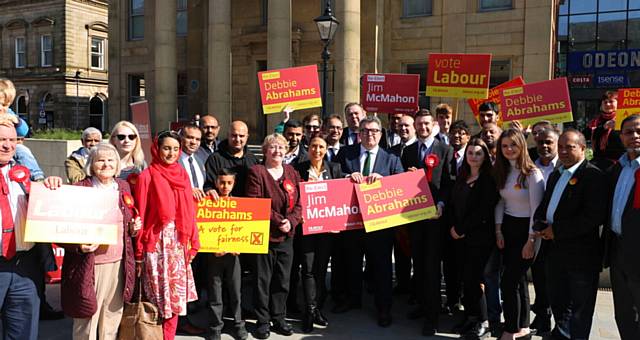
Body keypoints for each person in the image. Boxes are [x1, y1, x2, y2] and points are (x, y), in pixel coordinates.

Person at [56, 143, 141, 340]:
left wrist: (133, 228)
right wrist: (78, 246)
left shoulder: (123, 187)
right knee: (87, 319)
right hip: (90, 264)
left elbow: (127, 222)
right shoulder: (80, 189)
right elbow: (59, 229)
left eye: (111, 160)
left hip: (119, 262)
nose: (106, 164)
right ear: (91, 164)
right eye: (100, 160)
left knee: (112, 317)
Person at [533, 129, 606, 340]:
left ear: (583, 149)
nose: (563, 151)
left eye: (570, 147)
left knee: (580, 309)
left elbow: (592, 217)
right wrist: (540, 223)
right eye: (561, 147)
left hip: (580, 256)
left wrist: (556, 230)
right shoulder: (557, 174)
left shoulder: (592, 176)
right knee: (558, 300)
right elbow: (545, 205)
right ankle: (562, 335)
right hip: (554, 252)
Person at [334, 115, 403, 328]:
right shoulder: (346, 153)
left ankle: (384, 308)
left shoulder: (391, 157)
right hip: (352, 222)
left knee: (381, 268)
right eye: (365, 131)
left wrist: (385, 182)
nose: (369, 134)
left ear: (381, 134)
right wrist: (346, 176)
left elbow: (401, 185)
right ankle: (353, 300)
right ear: (359, 134)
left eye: (374, 131)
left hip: (380, 226)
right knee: (352, 264)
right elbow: (333, 175)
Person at [133, 131, 200, 340]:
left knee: (176, 298)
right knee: (158, 298)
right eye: (166, 148)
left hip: (178, 243)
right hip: (156, 245)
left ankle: (169, 337)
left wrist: (193, 242)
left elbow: (190, 211)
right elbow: (141, 214)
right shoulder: (147, 176)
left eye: (174, 149)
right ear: (157, 148)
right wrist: (139, 252)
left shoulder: (182, 174)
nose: (170, 153)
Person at [0, 113, 57, 340]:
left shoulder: (25, 174)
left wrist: (51, 189)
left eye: (12, 140)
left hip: (26, 267)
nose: (7, 145)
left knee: (23, 334)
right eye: (1, 140)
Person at [400, 110, 452, 335]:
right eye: (419, 124)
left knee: (432, 267)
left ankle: (432, 318)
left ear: (434, 125)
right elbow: (401, 182)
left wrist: (441, 204)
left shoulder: (445, 150)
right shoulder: (409, 150)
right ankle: (422, 305)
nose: (422, 127)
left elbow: (449, 183)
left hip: (435, 218)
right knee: (418, 264)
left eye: (426, 124)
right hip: (414, 218)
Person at [245, 133, 302, 339]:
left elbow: (300, 203)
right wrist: (279, 221)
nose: (277, 151)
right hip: (265, 235)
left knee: (283, 280)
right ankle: (262, 321)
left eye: (281, 147)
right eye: (272, 147)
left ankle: (279, 318)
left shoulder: (291, 172)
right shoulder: (257, 172)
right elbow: (256, 202)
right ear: (265, 150)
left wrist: (292, 221)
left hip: (287, 237)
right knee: (262, 281)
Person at [493, 128, 545, 340]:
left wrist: (531, 240)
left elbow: (537, 210)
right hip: (508, 228)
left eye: (513, 144)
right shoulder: (502, 170)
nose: (509, 149)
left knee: (508, 281)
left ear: (522, 145)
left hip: (528, 231)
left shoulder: (533, 173)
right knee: (519, 280)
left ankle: (511, 329)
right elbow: (500, 202)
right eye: (504, 146)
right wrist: (498, 230)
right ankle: (522, 327)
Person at [447, 138, 499, 339]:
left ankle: (483, 320)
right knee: (465, 279)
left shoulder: (489, 179)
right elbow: (453, 203)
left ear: (485, 156)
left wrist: (461, 228)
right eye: (470, 152)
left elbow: (483, 210)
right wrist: (453, 227)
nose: (474, 157)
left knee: (477, 280)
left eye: (478, 153)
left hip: (479, 238)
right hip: (459, 237)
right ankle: (469, 316)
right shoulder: (462, 176)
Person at [294, 136, 340, 333]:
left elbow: (341, 196)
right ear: (308, 147)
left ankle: (317, 308)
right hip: (306, 229)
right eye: (314, 146)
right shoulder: (298, 169)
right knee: (308, 269)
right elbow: (293, 196)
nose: (317, 150)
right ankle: (309, 311)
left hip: (327, 230)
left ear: (326, 148)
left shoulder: (334, 169)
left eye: (321, 146)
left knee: (320, 270)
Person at [606, 114, 640, 340]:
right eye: (628, 132)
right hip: (619, 253)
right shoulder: (618, 168)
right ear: (621, 137)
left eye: (639, 131)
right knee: (624, 314)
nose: (635, 136)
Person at [205, 168, 248, 340]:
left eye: (229, 183)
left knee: (236, 291)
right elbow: (203, 230)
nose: (225, 186)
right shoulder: (208, 203)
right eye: (222, 182)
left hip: (234, 256)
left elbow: (246, 230)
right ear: (216, 183)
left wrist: (241, 246)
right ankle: (216, 327)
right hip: (213, 256)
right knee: (215, 292)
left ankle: (238, 324)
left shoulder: (240, 204)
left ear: (234, 184)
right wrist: (210, 247)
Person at [177, 124, 208, 335]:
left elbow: (203, 187)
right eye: (189, 138)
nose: (193, 142)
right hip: (179, 223)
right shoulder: (174, 159)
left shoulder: (200, 159)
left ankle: (190, 308)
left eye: (197, 139)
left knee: (193, 269)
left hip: (199, 222)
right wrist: (189, 191)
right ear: (181, 138)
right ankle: (180, 320)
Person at [528, 127, 559, 335]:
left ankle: (559, 321)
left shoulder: (564, 168)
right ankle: (541, 316)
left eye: (549, 142)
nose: (544, 146)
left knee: (556, 279)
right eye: (540, 142)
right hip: (537, 231)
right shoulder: (530, 166)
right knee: (538, 276)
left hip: (559, 233)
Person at [203, 120, 258, 198]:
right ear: (228, 135)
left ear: (247, 137)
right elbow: (207, 183)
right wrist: (209, 189)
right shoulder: (215, 158)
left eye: (241, 136)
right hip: (222, 207)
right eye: (234, 135)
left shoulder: (253, 160)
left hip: (247, 208)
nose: (237, 139)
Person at [586, 90, 625, 170]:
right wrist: (603, 127)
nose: (607, 104)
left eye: (611, 101)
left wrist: (618, 129)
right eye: (605, 102)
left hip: (619, 164)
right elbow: (584, 136)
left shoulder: (625, 120)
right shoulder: (595, 122)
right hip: (597, 164)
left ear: (618, 103)